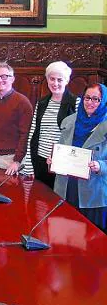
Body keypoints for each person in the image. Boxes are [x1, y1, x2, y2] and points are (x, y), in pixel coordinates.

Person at [51, 84, 107, 232]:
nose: (90, 102)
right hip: (66, 187)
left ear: (104, 102)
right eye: (87, 98)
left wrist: (100, 165)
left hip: (92, 192)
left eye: (96, 99)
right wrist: (54, 159)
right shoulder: (69, 121)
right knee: (64, 232)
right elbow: (61, 147)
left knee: (90, 237)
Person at [22, 61, 78, 188]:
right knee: (40, 202)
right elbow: (33, 134)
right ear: (47, 80)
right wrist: (29, 166)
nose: (55, 83)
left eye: (60, 79)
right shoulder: (41, 103)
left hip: (62, 163)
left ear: (67, 81)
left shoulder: (76, 102)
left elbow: (78, 135)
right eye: (52, 79)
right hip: (40, 161)